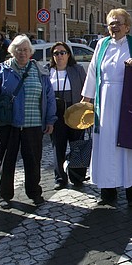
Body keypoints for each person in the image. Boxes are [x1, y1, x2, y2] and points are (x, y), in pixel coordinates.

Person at [81, 9, 132, 207]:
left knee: (129, 145)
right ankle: (108, 192)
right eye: (111, 23)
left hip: (129, 101)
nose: (114, 26)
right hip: (104, 102)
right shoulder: (101, 45)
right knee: (105, 145)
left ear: (127, 26)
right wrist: (86, 100)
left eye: (118, 23)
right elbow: (93, 73)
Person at [0, 35, 56, 208]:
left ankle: (34, 192)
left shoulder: (39, 70)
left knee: (33, 160)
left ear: (30, 52)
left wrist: (50, 119)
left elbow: (49, 97)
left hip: (33, 124)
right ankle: (5, 195)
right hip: (9, 124)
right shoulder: (3, 70)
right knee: (6, 159)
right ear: (12, 52)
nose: (22, 53)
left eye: (26, 50)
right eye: (18, 50)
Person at [47, 41, 87, 190]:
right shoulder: (47, 71)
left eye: (62, 52)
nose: (59, 56)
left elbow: (86, 90)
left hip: (75, 111)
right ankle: (60, 178)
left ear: (68, 54)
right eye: (56, 53)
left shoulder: (77, 69)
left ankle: (77, 176)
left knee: (78, 144)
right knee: (58, 146)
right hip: (56, 113)